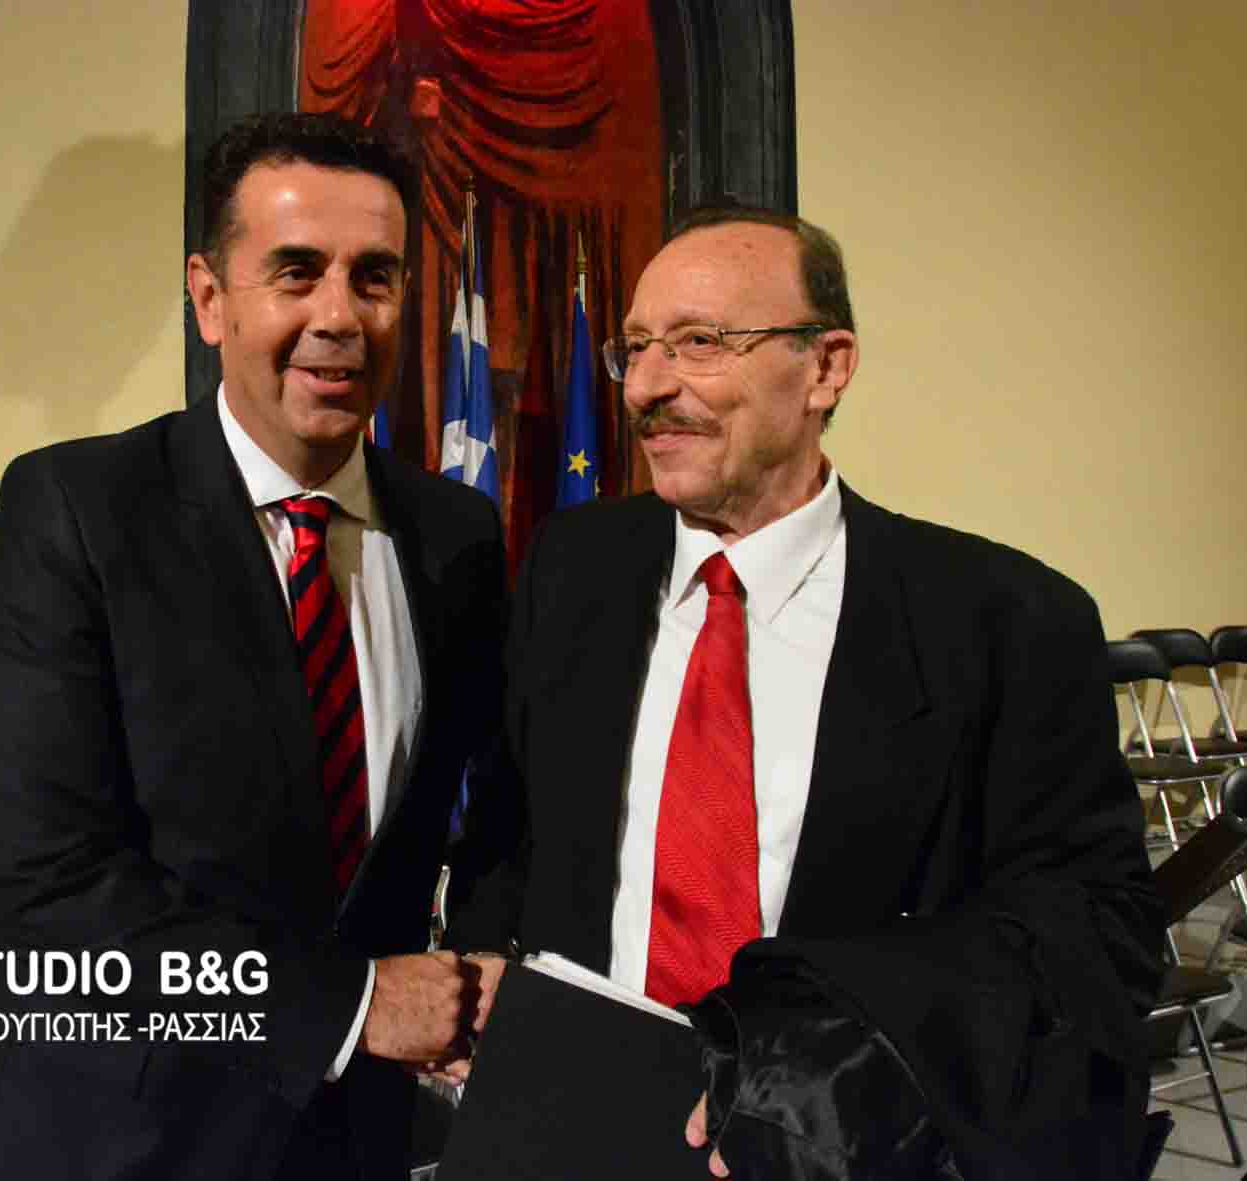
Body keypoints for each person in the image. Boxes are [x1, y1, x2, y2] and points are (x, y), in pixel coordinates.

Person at [446, 207, 1167, 1178]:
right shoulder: (571, 567)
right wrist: (486, 966)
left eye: (700, 342)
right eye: (636, 349)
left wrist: (819, 1069)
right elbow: (506, 827)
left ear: (826, 366)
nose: (649, 385)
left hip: (828, 1144)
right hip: (567, 1117)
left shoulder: (1006, 620)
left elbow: (1091, 930)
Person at [0, 112, 505, 1181]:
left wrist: (481, 963)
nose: (338, 316)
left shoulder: (456, 535)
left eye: (376, 277)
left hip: (357, 1141)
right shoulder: (75, 510)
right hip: (122, 1135)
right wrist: (349, 1005)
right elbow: (48, 890)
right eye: (295, 272)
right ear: (209, 299)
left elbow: (494, 805)